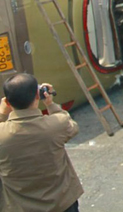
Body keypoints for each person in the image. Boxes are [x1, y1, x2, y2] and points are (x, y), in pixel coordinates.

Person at [0, 73, 83, 212]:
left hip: (19, 206)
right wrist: (50, 104)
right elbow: (71, 125)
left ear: (8, 102)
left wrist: (2, 114)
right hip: (61, 203)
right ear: (38, 96)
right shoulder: (57, 125)